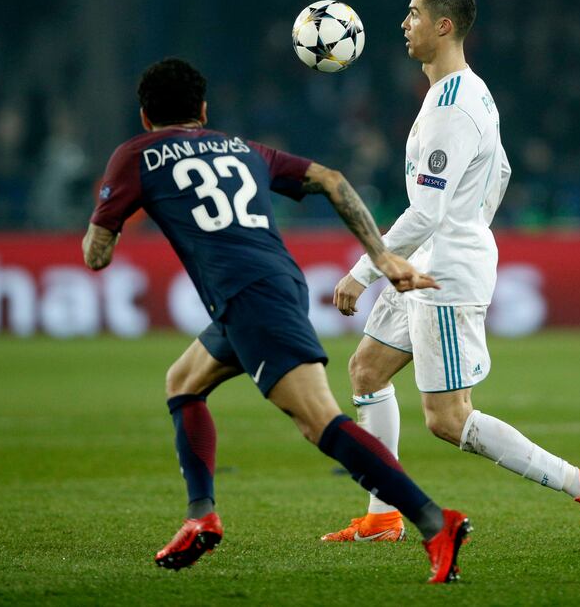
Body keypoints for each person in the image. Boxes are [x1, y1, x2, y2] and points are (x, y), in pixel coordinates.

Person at [82, 57, 472, 583]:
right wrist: (381, 258)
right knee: (183, 382)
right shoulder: (240, 148)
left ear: (145, 115)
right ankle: (201, 517)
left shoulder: (136, 155)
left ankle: (433, 521)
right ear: (202, 109)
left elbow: (97, 256)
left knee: (320, 422)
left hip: (251, 300)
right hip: (263, 289)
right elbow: (331, 179)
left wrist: (107, 218)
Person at [321, 0, 580, 545]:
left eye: (414, 13)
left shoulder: (450, 110)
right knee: (367, 369)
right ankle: (384, 516)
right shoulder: (471, 91)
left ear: (443, 26)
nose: (404, 23)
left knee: (448, 418)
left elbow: (426, 214)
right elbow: (503, 169)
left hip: (440, 274)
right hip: (432, 261)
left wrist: (363, 270)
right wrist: (470, 224)